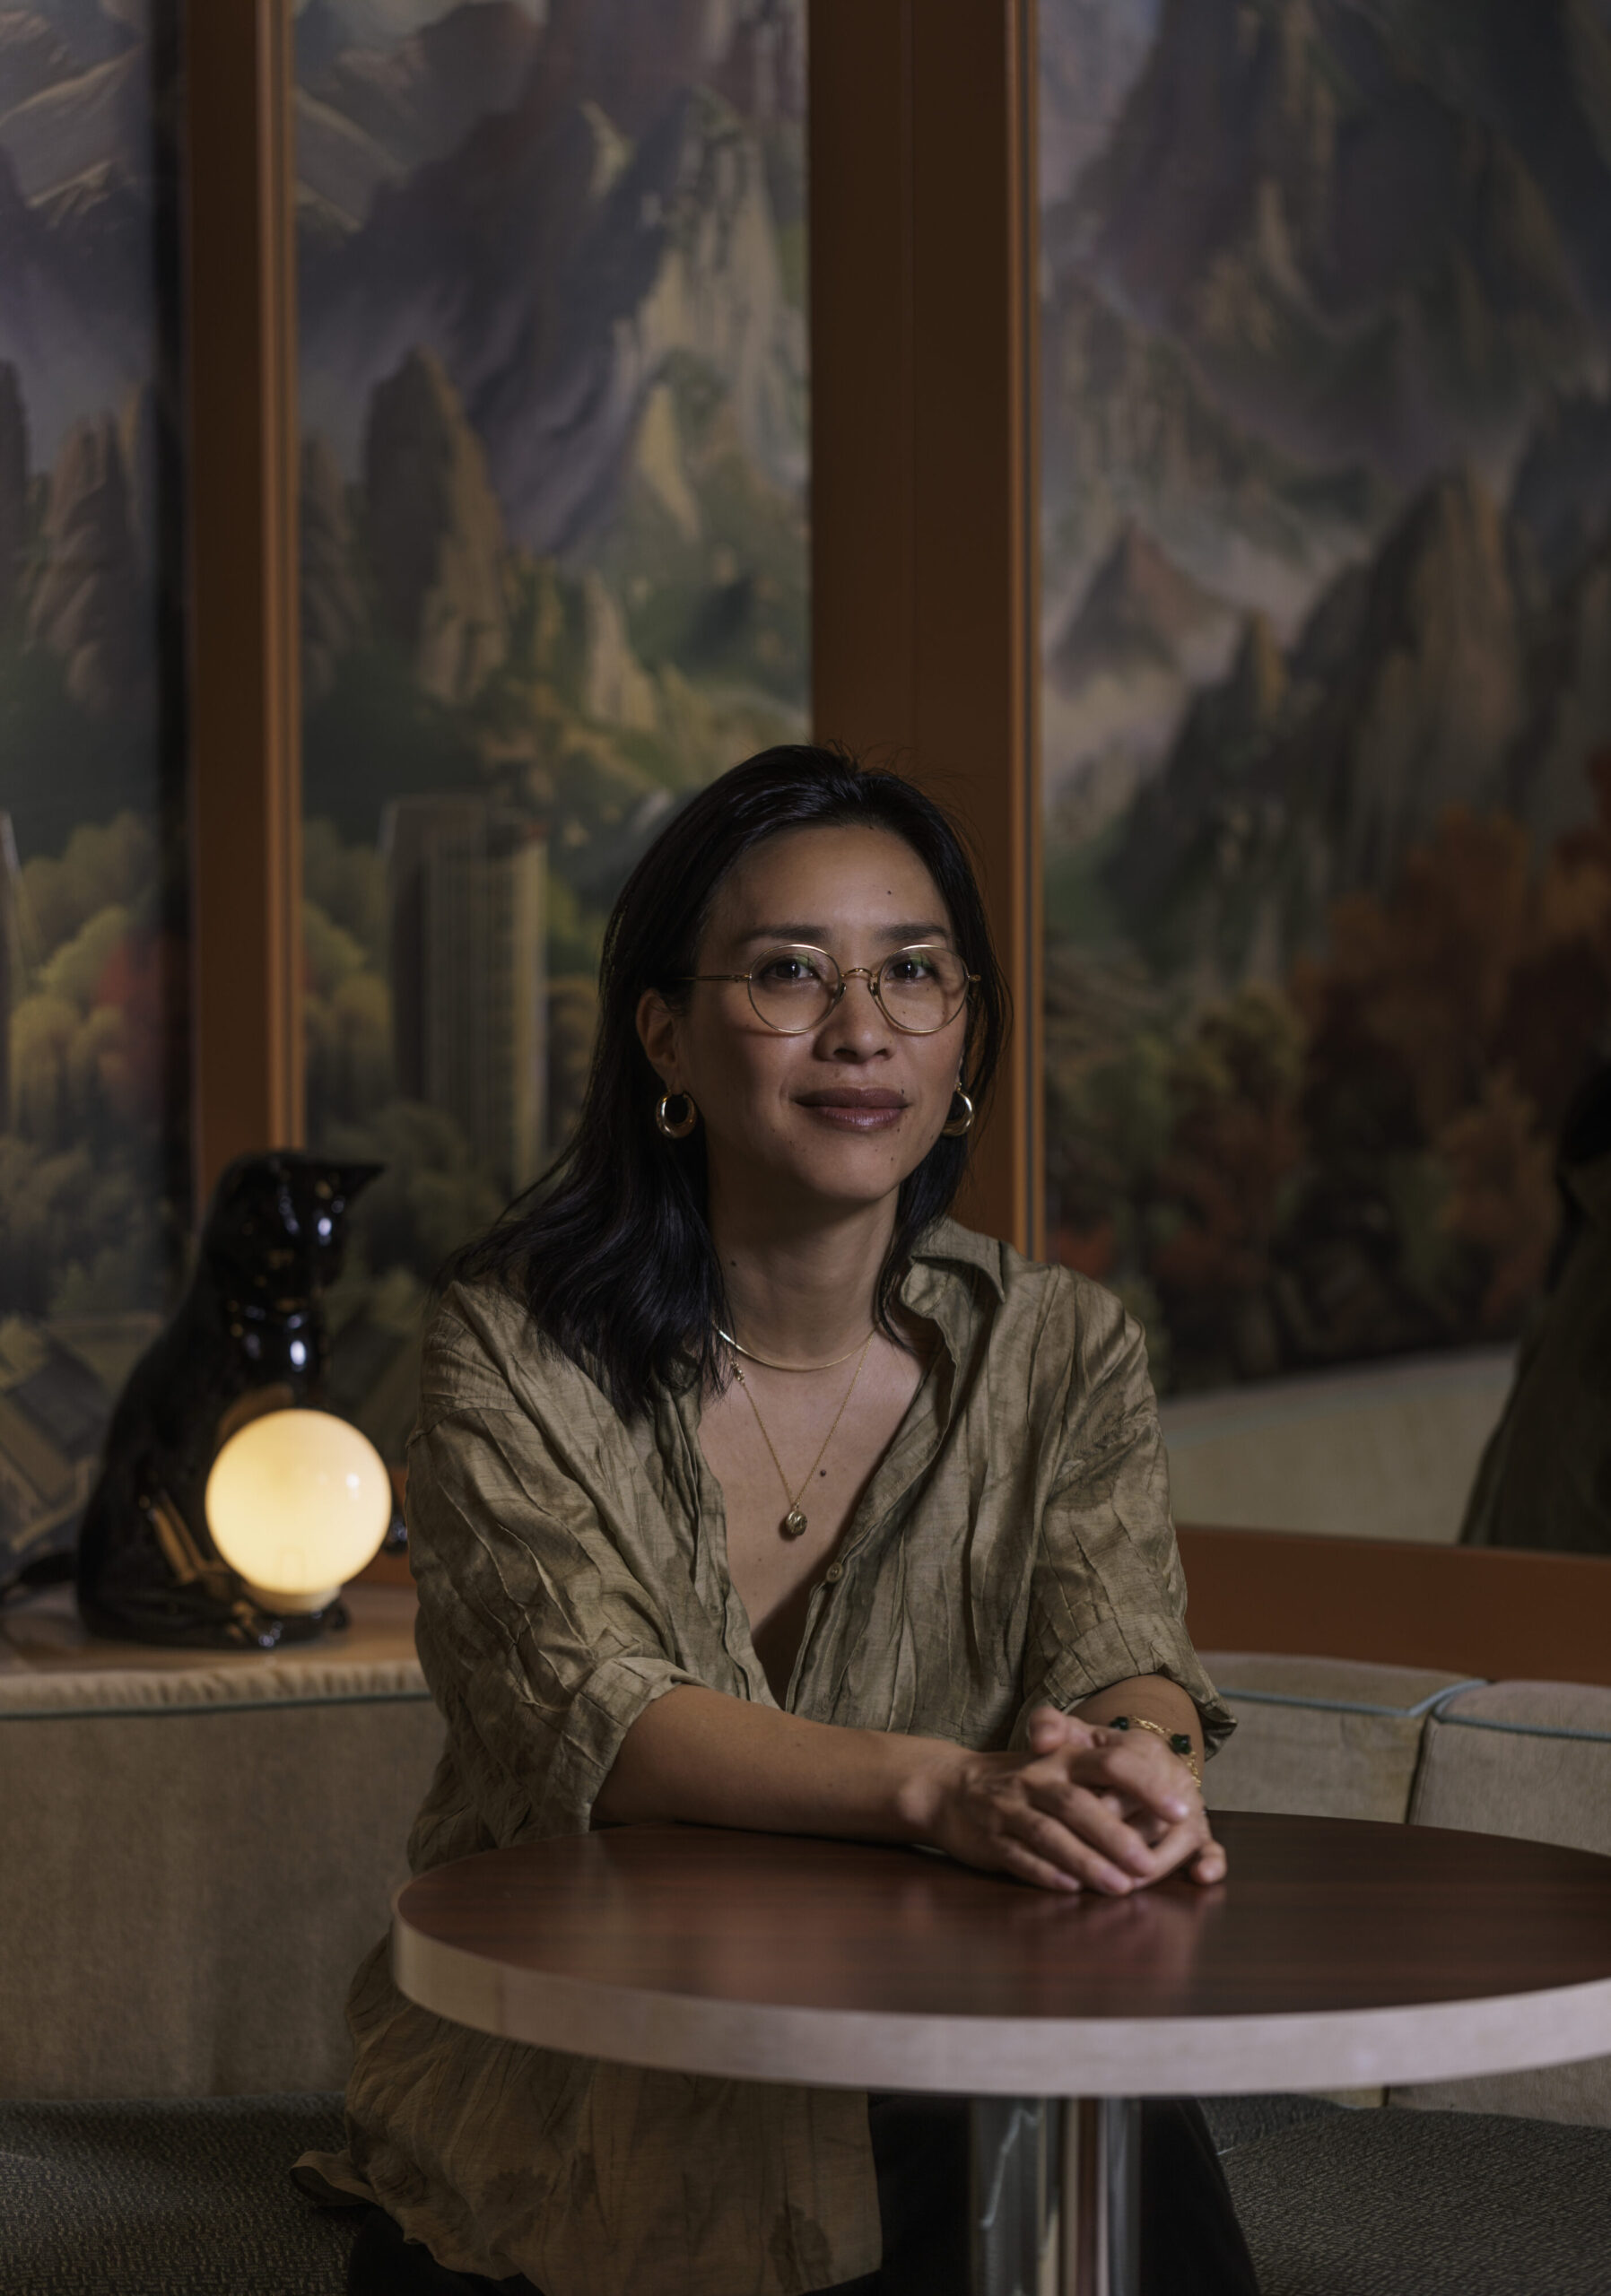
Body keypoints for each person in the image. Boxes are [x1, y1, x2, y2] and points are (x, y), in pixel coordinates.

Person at [300, 746, 1258, 2296]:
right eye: (790, 974)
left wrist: (1145, 1763)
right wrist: (950, 1792)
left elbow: (1122, 1647)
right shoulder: (509, 1345)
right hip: (588, 2047)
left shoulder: (1061, 1347)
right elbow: (597, 1718)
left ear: (964, 1044)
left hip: (936, 2035)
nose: (862, 1028)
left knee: (1086, 2126)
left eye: (914, 973)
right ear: (667, 1038)